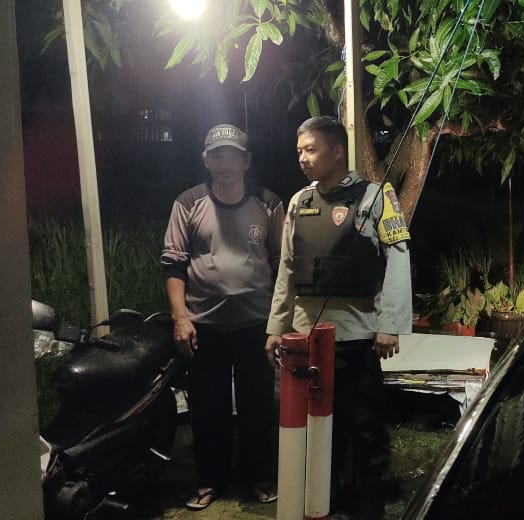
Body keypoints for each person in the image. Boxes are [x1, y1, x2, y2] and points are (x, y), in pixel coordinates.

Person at [265, 116, 412, 520]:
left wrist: (389, 325)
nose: (303, 158)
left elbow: (399, 259)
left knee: (363, 426)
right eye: (299, 151)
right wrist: (276, 328)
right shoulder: (299, 202)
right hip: (306, 336)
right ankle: (324, 500)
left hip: (357, 334)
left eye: (311, 150)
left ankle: (368, 506)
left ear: (336, 152)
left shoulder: (375, 196)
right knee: (316, 427)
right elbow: (287, 269)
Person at [161, 123, 285, 510]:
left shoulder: (268, 203)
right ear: (206, 160)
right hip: (204, 327)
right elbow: (173, 264)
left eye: (232, 155)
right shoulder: (188, 202)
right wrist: (180, 318)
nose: (224, 162)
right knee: (207, 409)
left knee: (257, 407)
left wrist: (280, 322)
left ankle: (258, 477)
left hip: (256, 326)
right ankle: (209, 481)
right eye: (216, 155)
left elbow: (282, 263)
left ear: (246, 161)